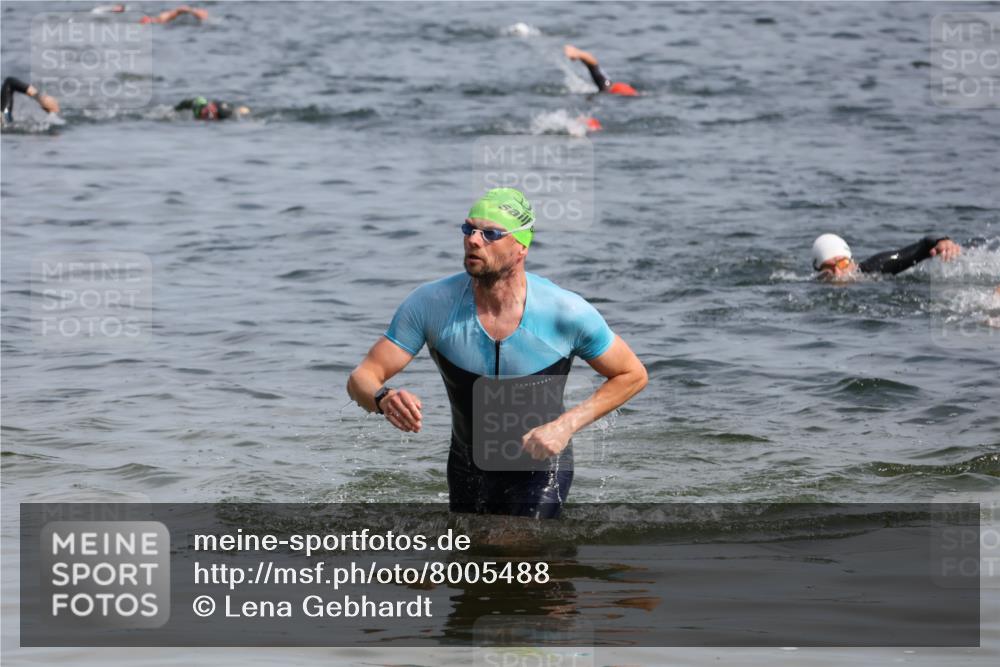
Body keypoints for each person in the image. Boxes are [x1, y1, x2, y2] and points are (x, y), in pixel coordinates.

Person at [347, 188, 648, 519]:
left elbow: (631, 374)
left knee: (518, 548)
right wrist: (382, 397)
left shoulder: (565, 311)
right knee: (470, 562)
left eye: (490, 234)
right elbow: (361, 378)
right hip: (466, 467)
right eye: (469, 229)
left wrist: (565, 426)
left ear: (521, 247)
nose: (474, 241)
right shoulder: (430, 304)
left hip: (540, 468)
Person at [811, 233, 962, 281]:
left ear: (852, 262)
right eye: (828, 269)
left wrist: (941, 241)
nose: (838, 273)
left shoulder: (876, 267)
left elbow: (920, 248)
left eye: (842, 264)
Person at [564, 44, 638, 96]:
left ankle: (578, 54)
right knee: (599, 76)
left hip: (619, 92)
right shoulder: (608, 89)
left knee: (598, 76)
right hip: (617, 91)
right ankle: (578, 53)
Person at [175, 96, 249, 120]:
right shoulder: (197, 107)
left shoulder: (223, 113)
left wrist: (243, 111)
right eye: (204, 114)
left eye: (207, 113)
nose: (205, 113)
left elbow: (243, 110)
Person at [140, 5, 208, 24]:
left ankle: (199, 13)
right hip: (179, 13)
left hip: (179, 12)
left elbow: (177, 11)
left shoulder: (161, 18)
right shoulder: (159, 19)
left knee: (184, 10)